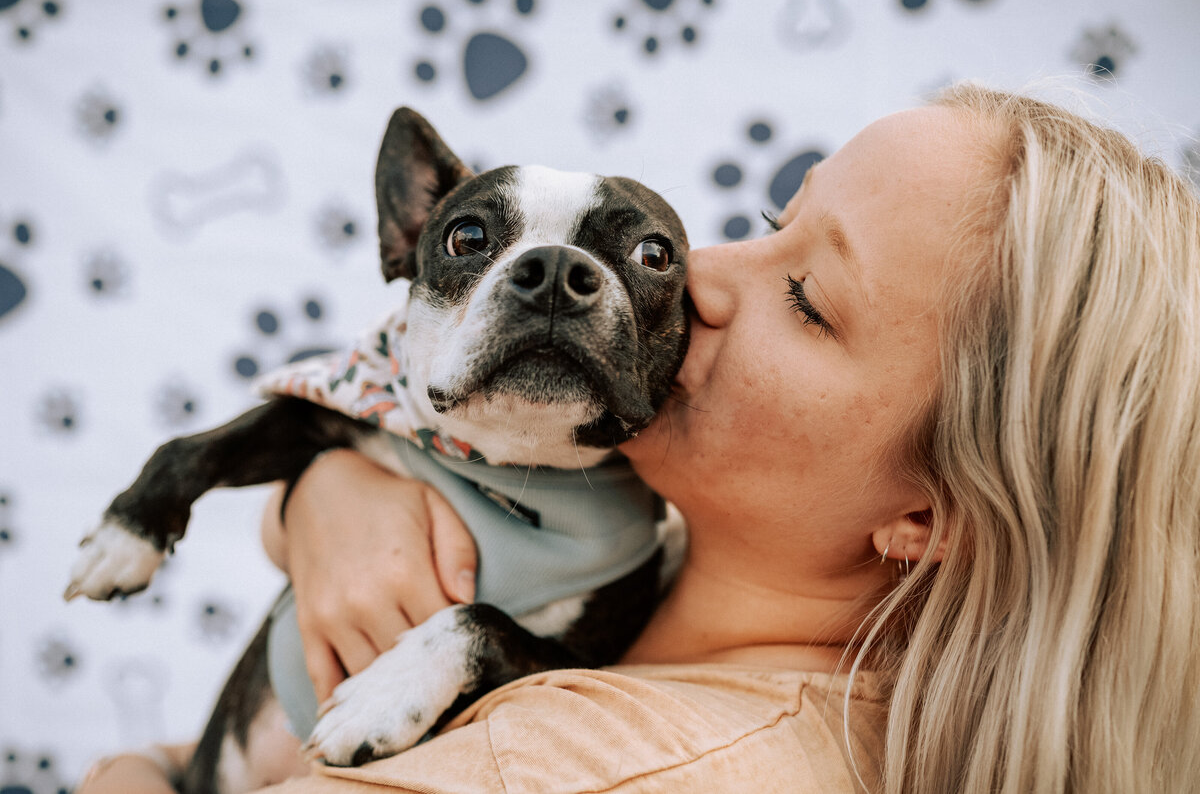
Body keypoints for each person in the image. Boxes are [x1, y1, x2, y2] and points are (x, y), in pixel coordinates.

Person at [77, 82, 1200, 794]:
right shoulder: (662, 589)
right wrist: (320, 484)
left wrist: (124, 774)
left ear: (927, 513)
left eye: (806, 295)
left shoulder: (560, 764)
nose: (703, 275)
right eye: (768, 224)